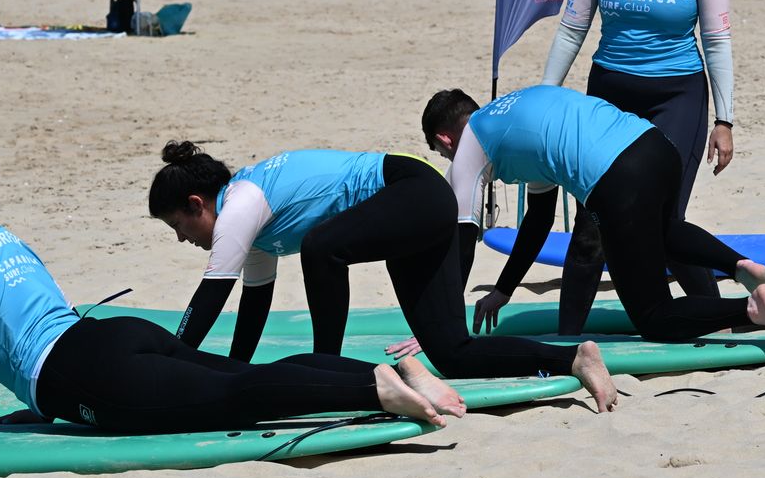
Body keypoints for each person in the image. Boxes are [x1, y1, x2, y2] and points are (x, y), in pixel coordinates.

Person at [0, 151, 450, 451]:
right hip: (113, 335)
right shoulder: (7, 242)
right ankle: (390, 373)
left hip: (88, 371)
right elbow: (38, 330)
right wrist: (42, 406)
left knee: (236, 396)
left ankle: (373, 386)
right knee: (241, 378)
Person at [148, 142, 617, 410]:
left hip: (412, 189)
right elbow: (251, 312)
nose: (182, 239)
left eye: (179, 226)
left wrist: (167, 366)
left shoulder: (241, 204)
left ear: (197, 203)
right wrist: (236, 376)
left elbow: (210, 297)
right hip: (415, 211)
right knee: (454, 353)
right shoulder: (252, 229)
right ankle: (574, 359)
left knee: (321, 247)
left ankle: (325, 371)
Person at [420, 85, 765, 345]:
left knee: (653, 318)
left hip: (618, 178)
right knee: (664, 231)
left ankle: (751, 310)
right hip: (655, 147)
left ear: (445, 139)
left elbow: (463, 238)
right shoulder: (512, 113)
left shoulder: (470, 144)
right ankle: (739, 265)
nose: (450, 161)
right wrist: (505, 289)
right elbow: (539, 217)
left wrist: (443, 322)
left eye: (444, 154)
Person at [539, 0, 734, 329]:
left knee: (666, 224)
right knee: (591, 225)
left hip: (678, 98)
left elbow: (717, 40)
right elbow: (571, 29)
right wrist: (545, 94)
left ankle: (722, 319)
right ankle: (569, 340)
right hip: (609, 98)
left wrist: (724, 119)